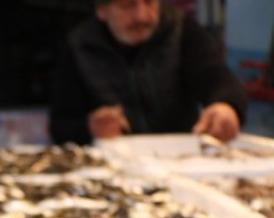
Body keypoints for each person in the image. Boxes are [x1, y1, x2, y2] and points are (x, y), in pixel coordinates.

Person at [50, 0, 247, 145]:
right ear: (102, 10)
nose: (142, 16)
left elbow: (214, 75)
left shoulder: (181, 29)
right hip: (113, 161)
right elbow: (60, 125)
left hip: (180, 155)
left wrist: (226, 105)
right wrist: (89, 128)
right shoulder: (80, 46)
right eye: (127, 6)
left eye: (150, 3)